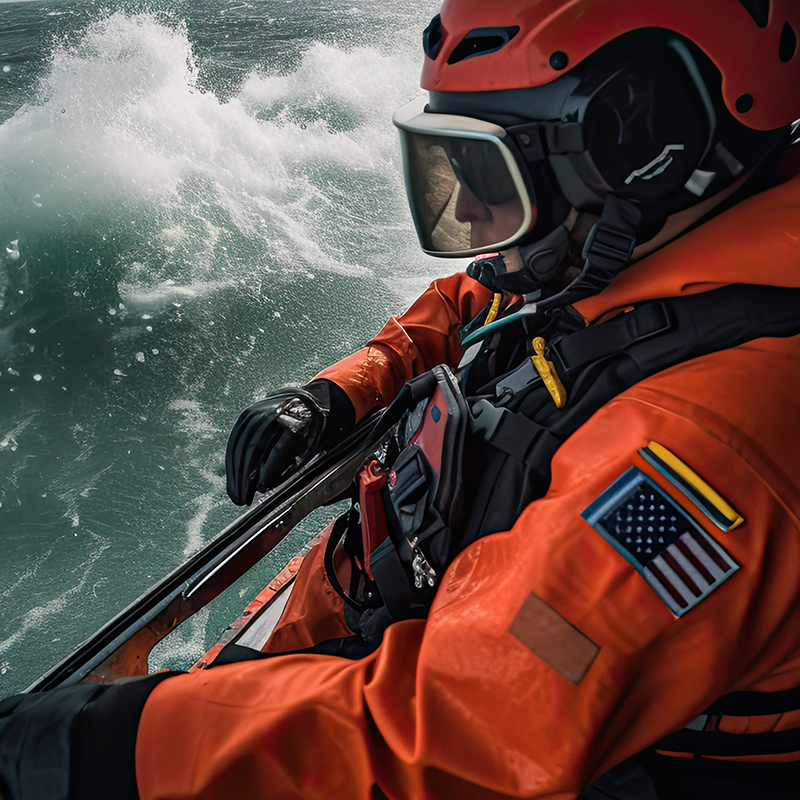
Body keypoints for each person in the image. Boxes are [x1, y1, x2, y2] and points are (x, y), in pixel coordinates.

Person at [3, 1, 800, 798]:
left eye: (495, 176)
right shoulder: (629, 266)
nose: (481, 221)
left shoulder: (704, 448)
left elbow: (470, 722)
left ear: (645, 154)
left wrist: (85, 746)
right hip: (384, 623)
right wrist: (336, 396)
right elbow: (475, 300)